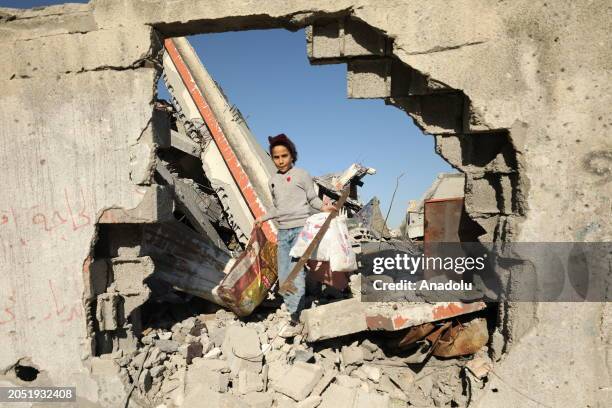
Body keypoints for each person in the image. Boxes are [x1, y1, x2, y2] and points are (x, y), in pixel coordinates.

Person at [255, 134, 335, 334]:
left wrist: (325, 207)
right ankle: (295, 312)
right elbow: (277, 208)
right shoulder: (272, 181)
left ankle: (297, 317)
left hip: (302, 230)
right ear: (272, 158)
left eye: (285, 156)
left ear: (292, 156)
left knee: (296, 272)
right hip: (283, 233)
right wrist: (263, 218)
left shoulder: (302, 175)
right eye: (276, 157)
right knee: (285, 275)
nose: (281, 160)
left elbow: (312, 200)